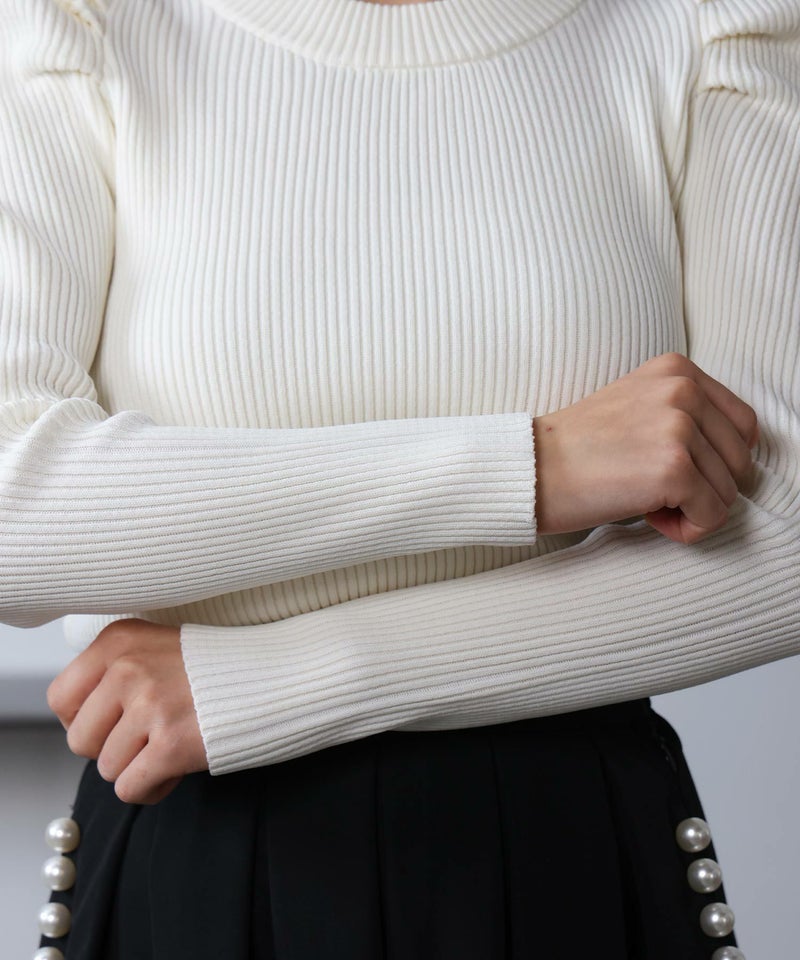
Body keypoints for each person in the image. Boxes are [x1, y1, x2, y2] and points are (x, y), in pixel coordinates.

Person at [1, 0, 797, 956]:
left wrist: (270, 685)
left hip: (561, 860)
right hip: (197, 863)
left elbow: (784, 530)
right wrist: (539, 464)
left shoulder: (706, 20)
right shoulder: (85, 22)